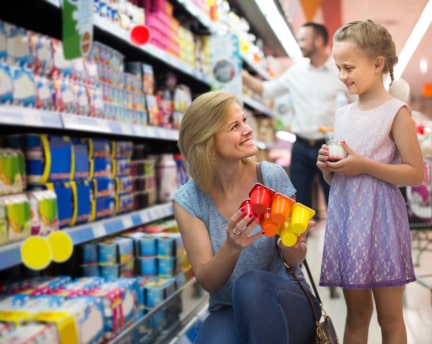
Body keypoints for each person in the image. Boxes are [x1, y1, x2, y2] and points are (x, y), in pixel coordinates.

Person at [172, 90, 320, 344]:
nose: (248, 130)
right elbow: (209, 281)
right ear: (208, 143)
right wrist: (231, 247)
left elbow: (294, 260)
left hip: (285, 298)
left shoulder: (270, 177)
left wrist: (292, 244)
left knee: (249, 286)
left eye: (244, 121)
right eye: (234, 126)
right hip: (227, 307)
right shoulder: (189, 201)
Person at [316, 19, 424, 344]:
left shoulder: (396, 112)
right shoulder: (343, 115)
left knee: (390, 317)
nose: (342, 75)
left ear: (378, 64)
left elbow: (415, 172)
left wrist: (364, 164)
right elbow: (341, 179)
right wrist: (328, 169)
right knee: (356, 315)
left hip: (383, 223)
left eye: (348, 67)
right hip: (348, 221)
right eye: (338, 67)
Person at [242, 21, 352, 299]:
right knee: (295, 217)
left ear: (318, 41)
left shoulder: (339, 72)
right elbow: (265, 91)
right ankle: (296, 279)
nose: (300, 42)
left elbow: (357, 101)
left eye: (303, 38)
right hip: (302, 148)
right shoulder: (296, 73)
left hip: (332, 148)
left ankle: (340, 274)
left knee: (337, 213)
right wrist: (238, 73)